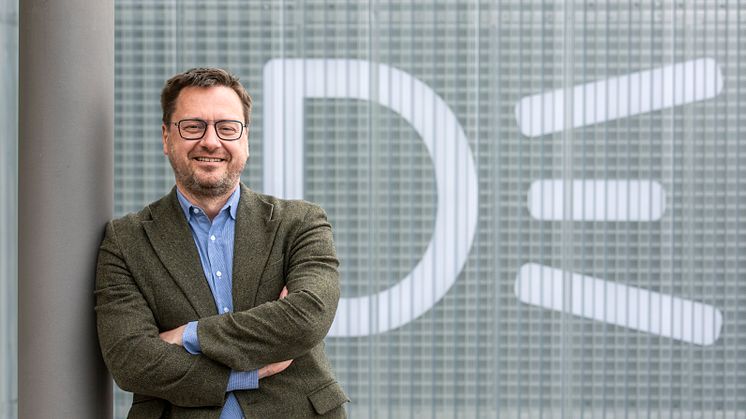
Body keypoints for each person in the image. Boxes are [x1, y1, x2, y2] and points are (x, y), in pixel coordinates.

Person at [95, 67, 349, 418]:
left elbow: (307, 316)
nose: (211, 141)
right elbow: (131, 360)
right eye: (193, 126)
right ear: (167, 137)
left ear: (245, 139)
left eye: (226, 128)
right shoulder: (126, 241)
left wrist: (190, 335)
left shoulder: (300, 223)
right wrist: (243, 373)